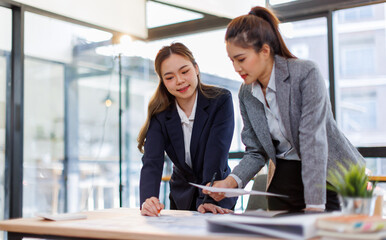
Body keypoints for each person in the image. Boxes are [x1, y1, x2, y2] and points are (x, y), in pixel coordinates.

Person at [205, 6, 365, 212]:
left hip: (328, 172)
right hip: (285, 175)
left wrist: (315, 205)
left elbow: (313, 141)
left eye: (241, 59)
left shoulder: (305, 74)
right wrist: (231, 182)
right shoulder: (247, 93)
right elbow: (256, 150)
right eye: (232, 60)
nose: (236, 68)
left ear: (264, 51)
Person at [138, 42, 237, 216]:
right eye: (169, 77)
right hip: (181, 195)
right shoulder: (160, 113)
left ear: (196, 68)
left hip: (215, 194)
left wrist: (208, 200)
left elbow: (216, 153)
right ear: (163, 82)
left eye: (185, 71)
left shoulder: (220, 101)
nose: (180, 81)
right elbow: (152, 162)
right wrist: (148, 200)